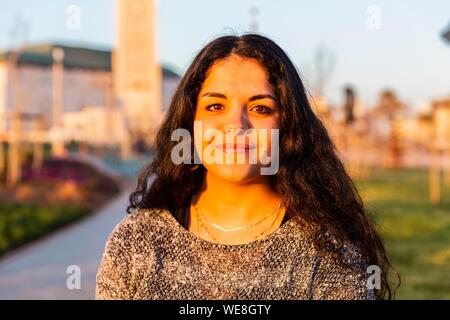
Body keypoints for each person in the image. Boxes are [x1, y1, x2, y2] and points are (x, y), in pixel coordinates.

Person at [96, 34, 397, 300]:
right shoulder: (137, 243)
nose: (236, 125)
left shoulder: (329, 255)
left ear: (287, 127)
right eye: (215, 106)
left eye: (260, 108)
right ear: (190, 123)